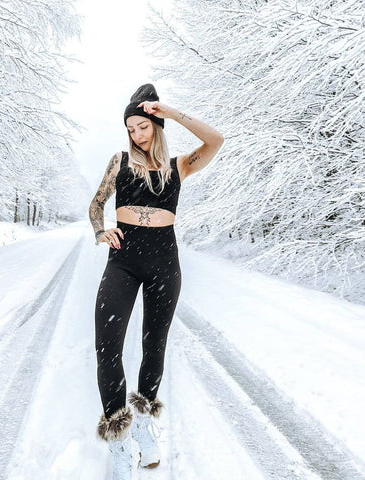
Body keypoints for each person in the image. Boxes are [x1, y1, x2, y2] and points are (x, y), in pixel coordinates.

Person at [88, 83, 224, 479]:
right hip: (123, 263)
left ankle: (145, 424)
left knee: (154, 345)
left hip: (165, 263)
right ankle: (118, 439)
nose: (136, 134)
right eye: (130, 128)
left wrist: (171, 111)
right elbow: (97, 204)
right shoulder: (119, 162)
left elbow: (216, 139)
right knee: (106, 345)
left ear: (155, 125)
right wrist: (100, 231)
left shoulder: (179, 166)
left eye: (142, 126)